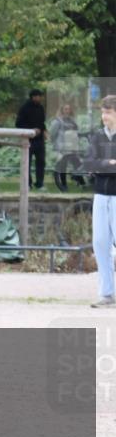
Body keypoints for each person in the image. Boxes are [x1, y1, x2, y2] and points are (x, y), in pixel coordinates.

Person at [85, 95, 116, 308]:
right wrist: (108, 163)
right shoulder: (96, 137)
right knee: (100, 242)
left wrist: (101, 165)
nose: (104, 116)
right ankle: (107, 293)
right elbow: (89, 163)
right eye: (103, 112)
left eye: (108, 112)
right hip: (100, 195)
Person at [16, 89, 48, 190]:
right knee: (27, 162)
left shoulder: (41, 108)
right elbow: (18, 123)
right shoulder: (24, 108)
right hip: (28, 139)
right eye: (37, 96)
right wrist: (31, 130)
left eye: (40, 96)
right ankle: (27, 183)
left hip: (39, 139)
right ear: (33, 97)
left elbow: (42, 122)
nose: (39, 98)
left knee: (41, 161)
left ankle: (40, 183)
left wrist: (43, 130)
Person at [49, 103, 84, 192]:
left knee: (77, 164)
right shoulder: (57, 122)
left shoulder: (73, 121)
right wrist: (56, 145)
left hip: (72, 148)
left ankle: (80, 181)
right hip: (62, 148)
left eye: (69, 109)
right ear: (62, 110)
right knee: (62, 167)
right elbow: (52, 134)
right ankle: (64, 185)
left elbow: (77, 132)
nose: (67, 111)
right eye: (65, 109)